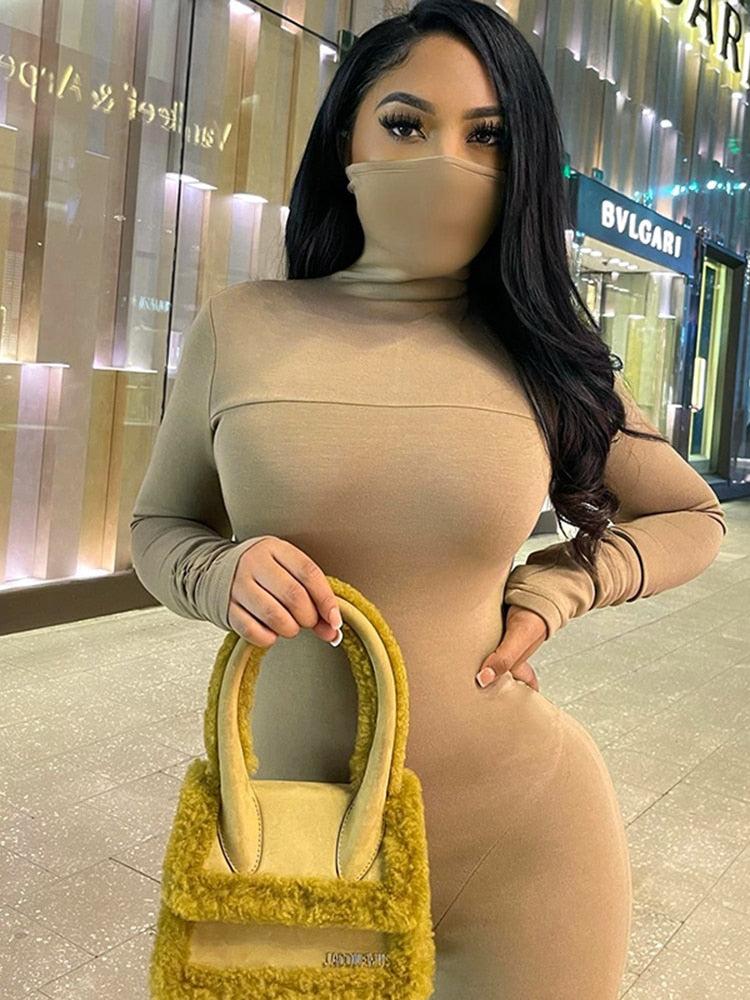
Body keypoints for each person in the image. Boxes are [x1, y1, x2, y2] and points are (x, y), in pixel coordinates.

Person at [129, 2, 727, 996]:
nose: (445, 160)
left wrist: (562, 586)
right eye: (406, 123)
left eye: (487, 136)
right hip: (300, 851)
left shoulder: (540, 352)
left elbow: (692, 517)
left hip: (526, 848)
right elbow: (159, 525)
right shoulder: (244, 327)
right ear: (347, 142)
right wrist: (216, 571)